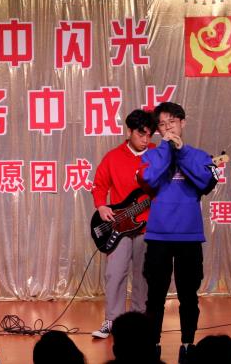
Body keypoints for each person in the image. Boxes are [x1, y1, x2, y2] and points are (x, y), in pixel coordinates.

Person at [139, 102, 218, 364]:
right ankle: (152, 346)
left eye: (172, 122)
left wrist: (181, 152)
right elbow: (149, 180)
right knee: (155, 297)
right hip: (158, 237)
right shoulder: (151, 156)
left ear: (183, 123)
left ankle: (188, 345)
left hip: (189, 237)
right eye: (162, 125)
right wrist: (166, 149)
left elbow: (206, 182)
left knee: (188, 296)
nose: (168, 128)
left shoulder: (200, 156)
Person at [90, 109, 156, 338]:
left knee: (143, 276)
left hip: (148, 226)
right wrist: (101, 206)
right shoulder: (113, 157)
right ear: (129, 131)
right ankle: (112, 321)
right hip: (119, 226)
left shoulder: (157, 154)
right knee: (115, 274)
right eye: (140, 134)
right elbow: (99, 185)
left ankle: (140, 321)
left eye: (149, 135)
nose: (145, 139)